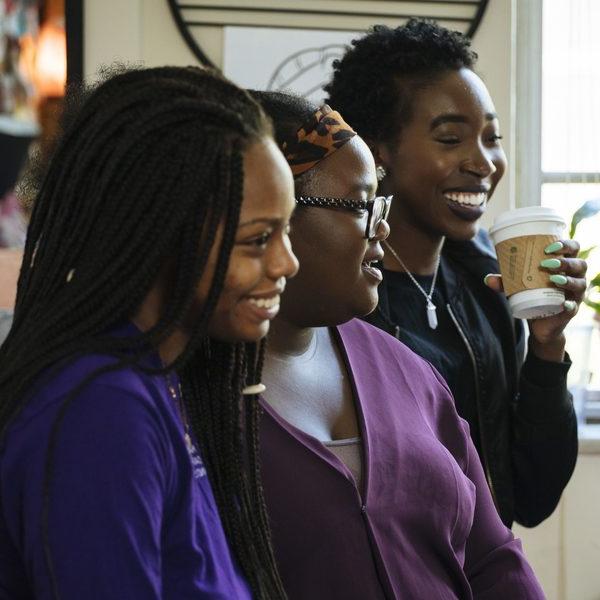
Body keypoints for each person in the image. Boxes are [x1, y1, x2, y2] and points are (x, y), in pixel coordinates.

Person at [0, 67, 299, 599]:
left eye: (287, 229)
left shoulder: (158, 378)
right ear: (163, 236)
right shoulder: (101, 407)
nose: (287, 263)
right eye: (259, 239)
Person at [251, 90, 545, 599]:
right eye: (363, 205)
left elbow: (492, 556)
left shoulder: (403, 369)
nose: (381, 227)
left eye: (379, 204)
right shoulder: (184, 398)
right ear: (273, 216)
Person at [325, 18, 586, 528]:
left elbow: (532, 496)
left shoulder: (487, 288)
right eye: (450, 138)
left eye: (492, 137)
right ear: (378, 152)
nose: (484, 162)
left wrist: (548, 347)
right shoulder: (338, 305)